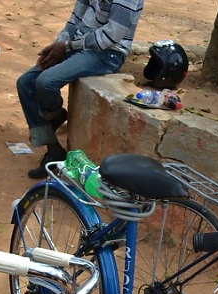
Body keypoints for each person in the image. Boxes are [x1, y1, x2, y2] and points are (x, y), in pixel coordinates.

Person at [17, 0, 144, 179]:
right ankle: (54, 142)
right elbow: (75, 19)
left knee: (46, 82)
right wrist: (58, 44)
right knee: (25, 82)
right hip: (79, 44)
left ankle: (49, 121)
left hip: (107, 53)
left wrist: (68, 46)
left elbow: (112, 35)